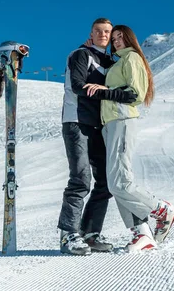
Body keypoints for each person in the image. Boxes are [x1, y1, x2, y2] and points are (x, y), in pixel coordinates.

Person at [84, 24, 174, 253]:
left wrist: (103, 91)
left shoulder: (132, 59)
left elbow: (135, 94)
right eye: (114, 38)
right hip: (111, 124)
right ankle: (143, 234)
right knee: (114, 183)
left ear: (129, 38)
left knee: (121, 181)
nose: (116, 41)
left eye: (120, 37)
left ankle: (162, 209)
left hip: (122, 120)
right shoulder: (118, 61)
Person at [59, 18, 138, 255]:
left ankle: (90, 233)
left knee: (105, 181)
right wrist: (105, 93)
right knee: (80, 178)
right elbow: (77, 85)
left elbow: (124, 90)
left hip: (98, 126)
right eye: (99, 31)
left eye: (108, 32)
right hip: (77, 122)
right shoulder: (80, 54)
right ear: (91, 34)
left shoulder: (110, 62)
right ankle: (68, 234)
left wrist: (113, 93)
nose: (104, 35)